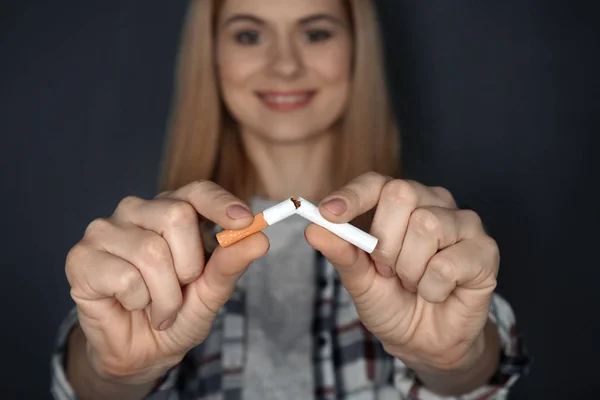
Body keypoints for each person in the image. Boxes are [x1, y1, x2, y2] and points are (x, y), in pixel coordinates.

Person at [51, 0, 529, 399]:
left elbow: (476, 365)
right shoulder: (156, 246)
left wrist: (453, 362)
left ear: (357, 51)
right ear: (212, 55)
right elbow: (92, 375)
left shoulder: (420, 243)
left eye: (316, 33)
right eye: (249, 35)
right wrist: (113, 374)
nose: (285, 64)